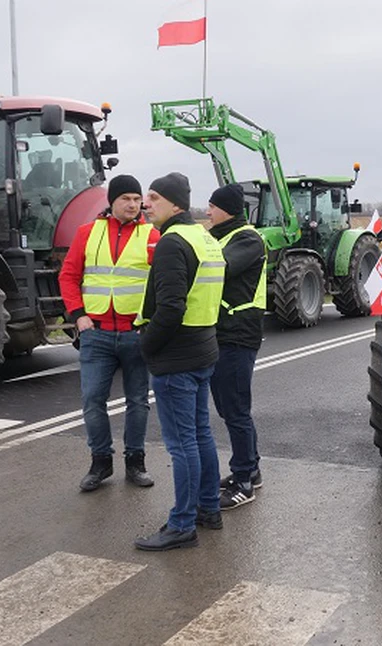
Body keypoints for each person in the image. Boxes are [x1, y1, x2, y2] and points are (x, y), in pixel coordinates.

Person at [134, 172, 226, 551]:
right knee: (200, 435)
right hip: (203, 348)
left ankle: (182, 525)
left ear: (174, 204)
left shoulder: (172, 242)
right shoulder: (204, 237)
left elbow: (171, 307)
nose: (145, 204)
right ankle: (208, 509)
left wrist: (146, 348)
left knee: (182, 443)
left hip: (176, 356)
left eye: (153, 198)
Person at [58, 174, 160, 492]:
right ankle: (100, 462)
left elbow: (162, 281)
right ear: (112, 201)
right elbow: (69, 275)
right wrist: (78, 315)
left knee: (138, 402)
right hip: (97, 334)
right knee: (92, 401)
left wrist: (151, 321)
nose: (133, 204)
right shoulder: (88, 233)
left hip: (135, 333)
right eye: (125, 199)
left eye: (136, 198)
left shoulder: (152, 235)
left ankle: (135, 462)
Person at [205, 184, 267, 509]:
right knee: (231, 409)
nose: (207, 212)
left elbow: (219, 268)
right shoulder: (221, 236)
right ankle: (250, 469)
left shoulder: (247, 239)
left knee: (236, 410)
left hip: (238, 335)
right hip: (223, 334)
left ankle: (244, 481)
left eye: (212, 207)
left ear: (227, 209)